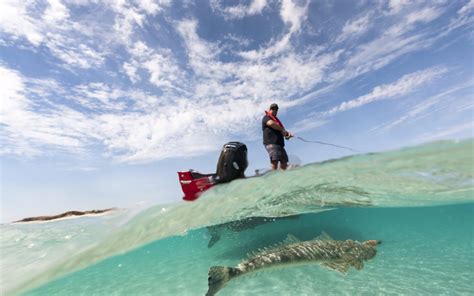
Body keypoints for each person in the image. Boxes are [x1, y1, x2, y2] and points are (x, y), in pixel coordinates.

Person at [262, 103, 293, 170]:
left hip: (280, 145)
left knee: (284, 163)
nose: (274, 110)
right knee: (275, 161)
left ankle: (282, 177)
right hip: (271, 143)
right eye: (273, 109)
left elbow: (284, 134)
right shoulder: (266, 117)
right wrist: (283, 130)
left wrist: (287, 135)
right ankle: (273, 178)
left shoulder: (278, 124)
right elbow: (271, 123)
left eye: (276, 109)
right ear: (270, 110)